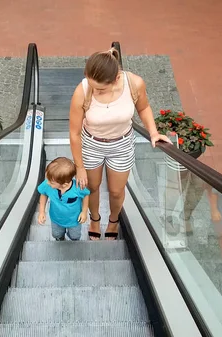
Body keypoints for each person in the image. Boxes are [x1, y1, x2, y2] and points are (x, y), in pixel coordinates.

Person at [69, 47, 171, 240]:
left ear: (116, 79)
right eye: (92, 85)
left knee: (116, 191)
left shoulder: (134, 83)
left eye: (100, 89)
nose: (94, 91)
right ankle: (95, 219)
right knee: (92, 187)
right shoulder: (82, 91)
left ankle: (114, 220)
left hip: (122, 144)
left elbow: (144, 107)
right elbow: (74, 133)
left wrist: (153, 132)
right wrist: (79, 167)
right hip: (91, 144)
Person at [37, 157, 90, 241]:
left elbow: (86, 195)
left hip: (74, 220)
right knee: (56, 234)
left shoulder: (78, 188)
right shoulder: (48, 184)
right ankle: (60, 239)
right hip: (56, 219)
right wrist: (42, 211)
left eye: (51, 182)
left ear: (64, 184)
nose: (47, 182)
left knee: (75, 236)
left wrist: (84, 212)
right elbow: (43, 194)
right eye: (47, 179)